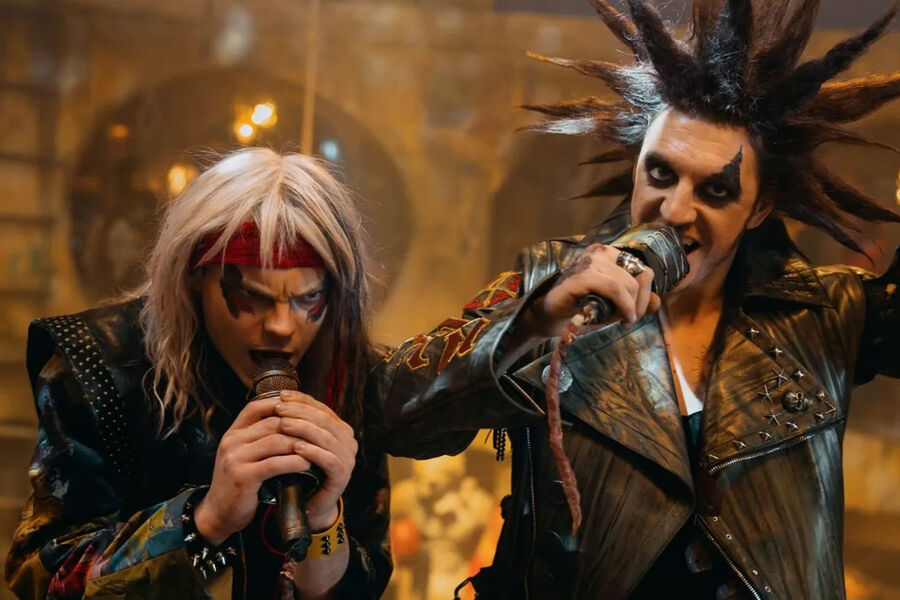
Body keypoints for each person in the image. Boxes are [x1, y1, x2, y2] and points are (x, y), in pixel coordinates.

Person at [368, 1, 900, 598]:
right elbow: (390, 411)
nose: (674, 210)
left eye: (716, 191)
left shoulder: (827, 311)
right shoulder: (550, 283)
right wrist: (533, 322)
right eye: (661, 174)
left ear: (761, 209)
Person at [6, 148, 391, 599]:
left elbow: (361, 584)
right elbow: (44, 577)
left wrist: (324, 517)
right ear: (194, 276)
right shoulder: (99, 365)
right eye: (253, 296)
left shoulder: (351, 376)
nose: (282, 327)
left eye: (309, 299)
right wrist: (205, 520)